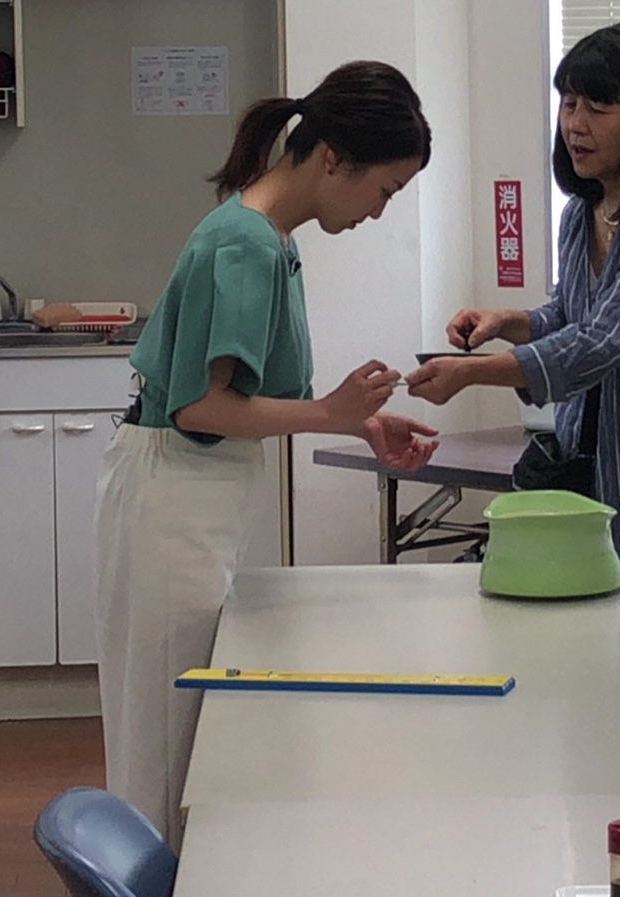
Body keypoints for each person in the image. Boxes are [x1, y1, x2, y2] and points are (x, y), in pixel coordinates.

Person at [96, 60, 440, 840]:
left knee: (183, 732)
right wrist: (330, 412)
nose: (380, 211)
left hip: (192, 495)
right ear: (334, 159)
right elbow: (200, 406)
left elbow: (237, 401)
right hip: (171, 496)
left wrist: (356, 422)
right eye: (386, 191)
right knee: (164, 740)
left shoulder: (269, 238)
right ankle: (149, 884)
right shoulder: (245, 242)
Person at [407, 22, 620, 559]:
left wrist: (470, 373)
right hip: (586, 487)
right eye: (568, 104)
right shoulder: (581, 214)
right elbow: (571, 314)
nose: (575, 125)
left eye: (598, 108)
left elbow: (598, 343)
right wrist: (508, 322)